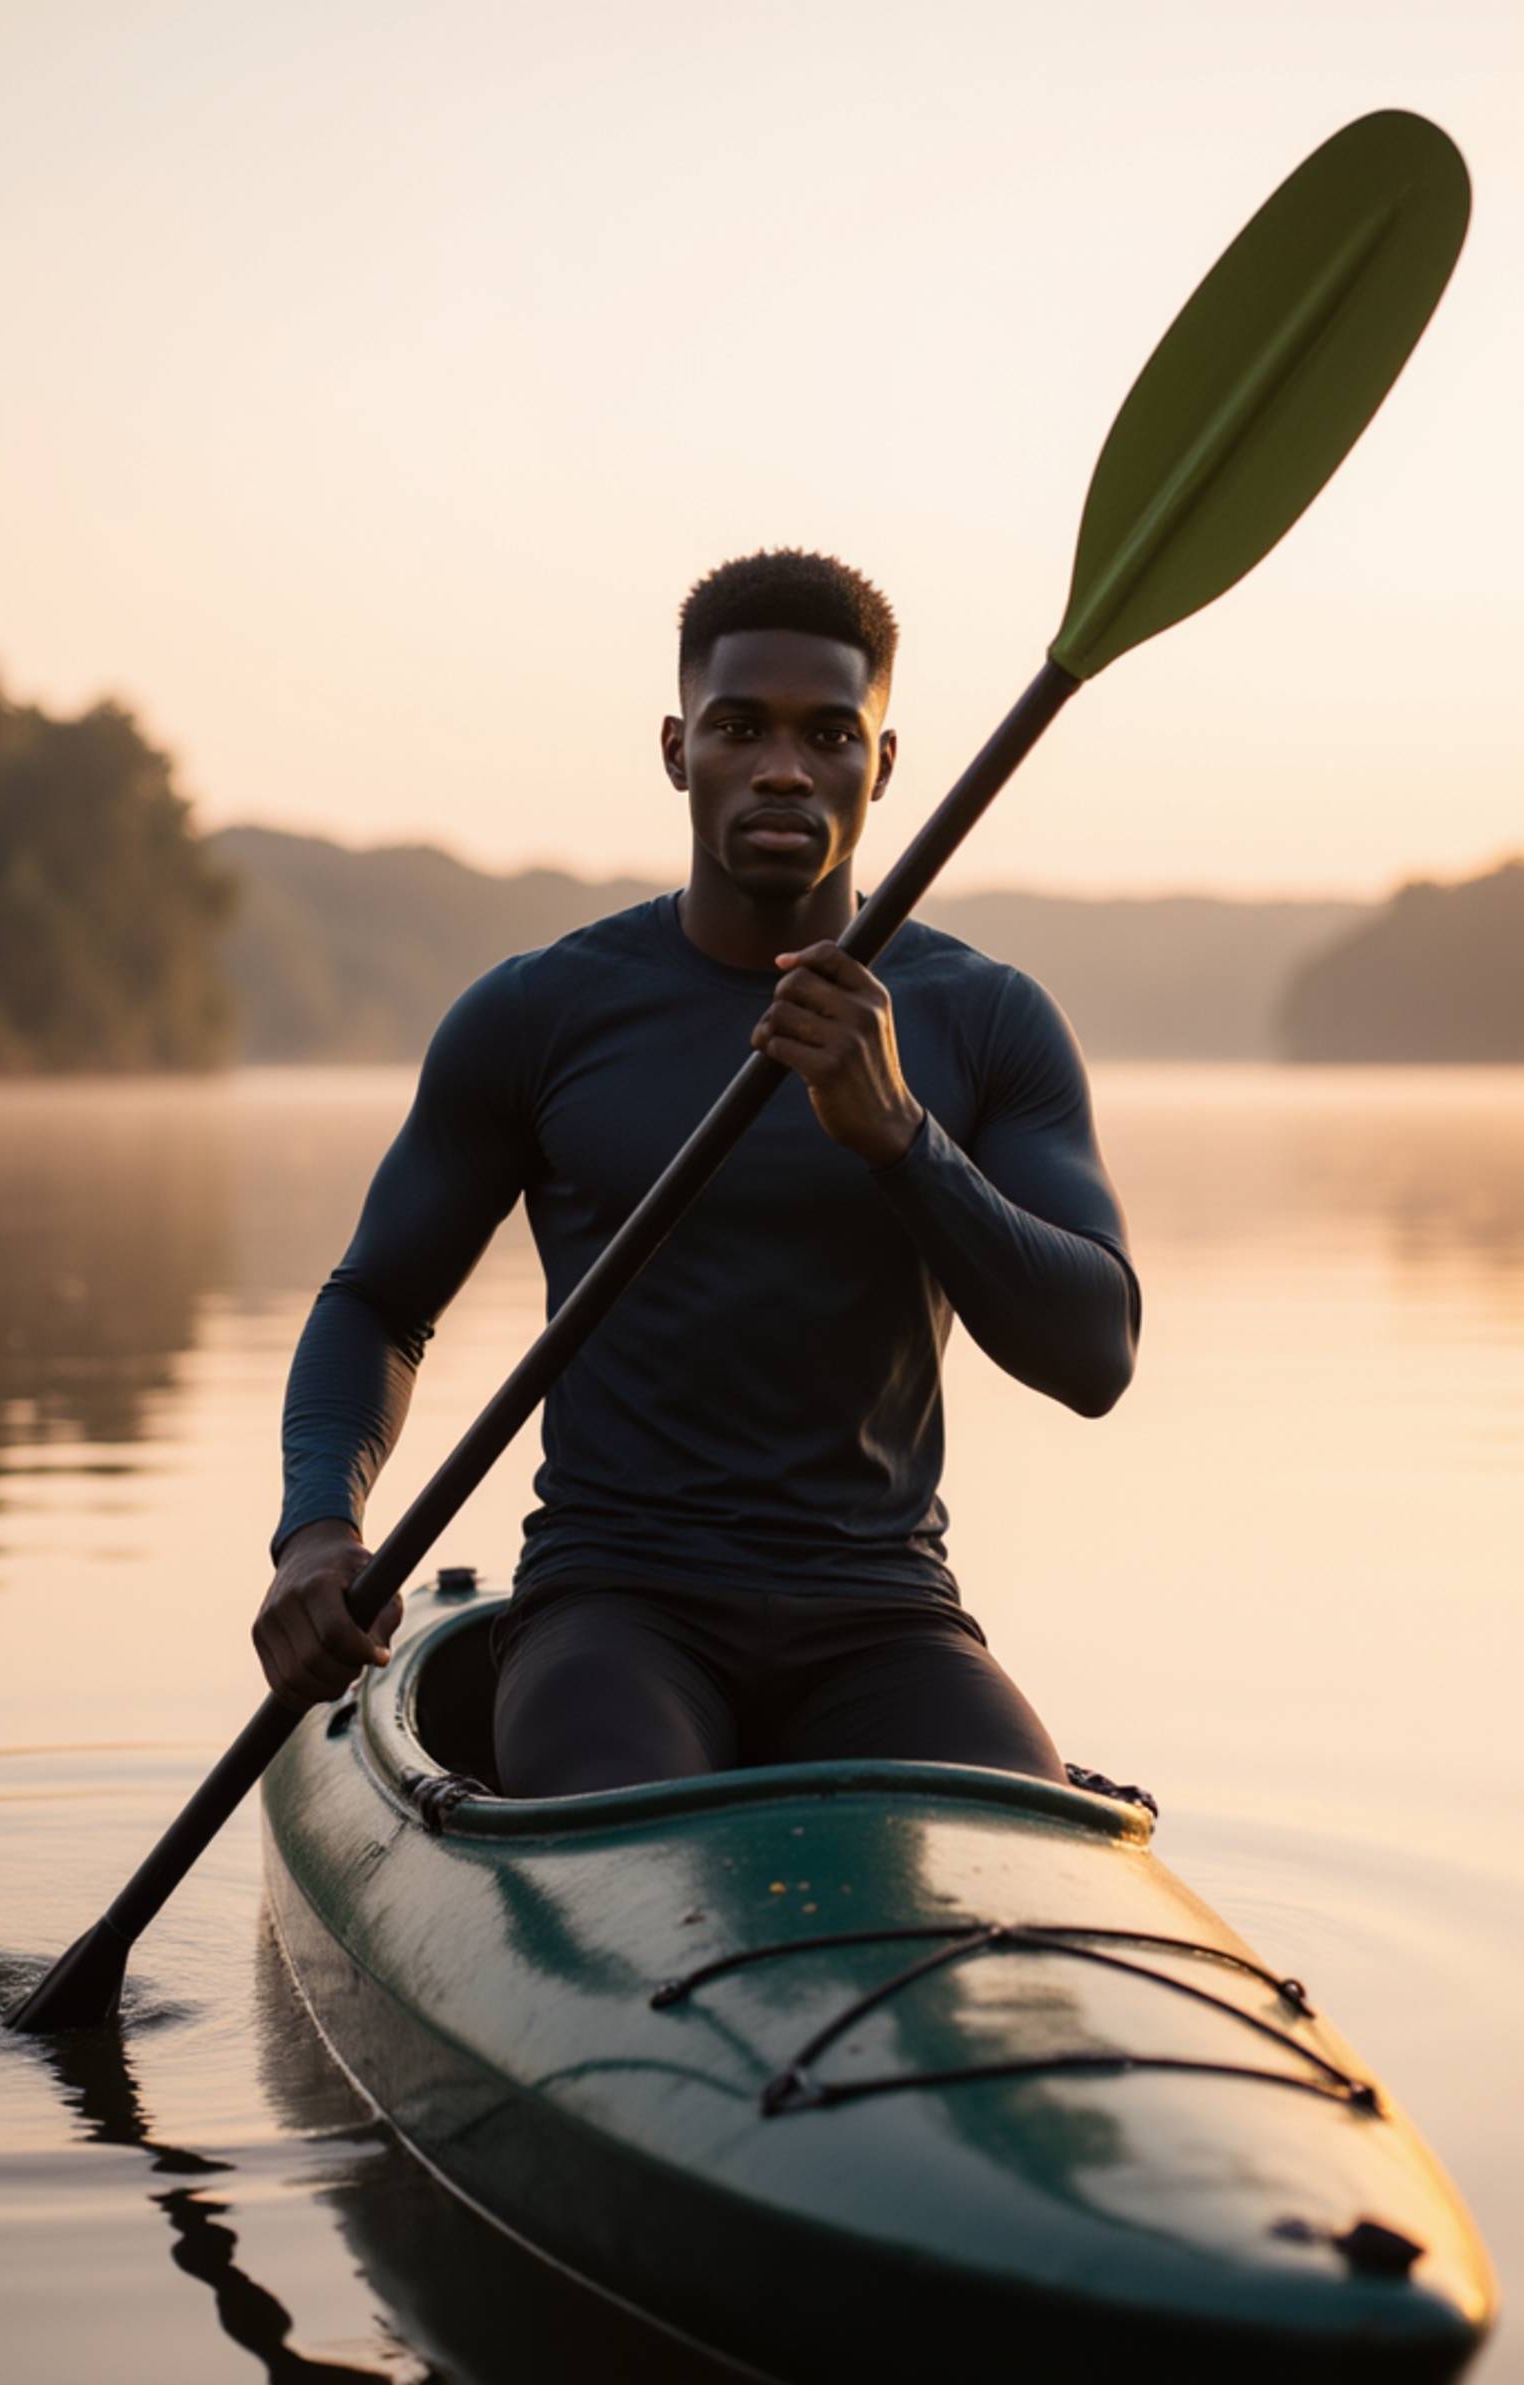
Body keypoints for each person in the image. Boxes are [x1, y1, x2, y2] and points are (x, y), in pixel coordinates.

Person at [253, 550, 1138, 1795]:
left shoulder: (986, 1021)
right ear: (677, 750)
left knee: (1019, 1875)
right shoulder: (541, 1012)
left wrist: (900, 1138)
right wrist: (317, 1533)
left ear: (881, 766)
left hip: (881, 1618)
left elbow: (1094, 1357)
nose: (783, 765)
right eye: (740, 727)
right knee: (624, 1841)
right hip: (616, 1610)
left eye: (829, 732)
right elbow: (379, 1304)